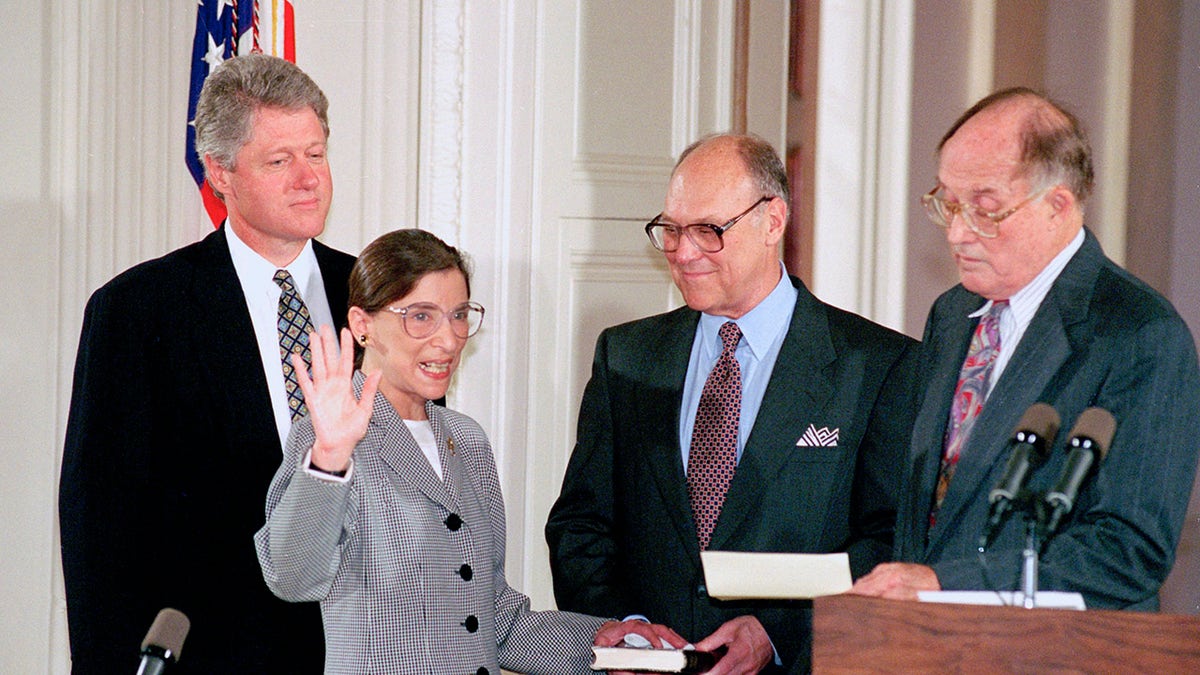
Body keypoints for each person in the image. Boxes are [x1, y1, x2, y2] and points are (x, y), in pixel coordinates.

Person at [545, 133, 918, 674]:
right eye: (671, 230)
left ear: (773, 221)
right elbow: (582, 525)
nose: (684, 252)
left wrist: (779, 632)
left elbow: (890, 542)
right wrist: (623, 627)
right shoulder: (626, 357)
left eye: (708, 230)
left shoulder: (879, 365)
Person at [254, 229, 681, 674]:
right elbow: (292, 577)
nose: (450, 339)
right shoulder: (323, 441)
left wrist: (603, 641)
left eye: (459, 315)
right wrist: (330, 457)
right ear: (362, 325)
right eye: (421, 316)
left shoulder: (467, 440)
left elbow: (493, 621)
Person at [849, 87, 1200, 609]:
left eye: (985, 210)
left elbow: (1129, 550)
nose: (958, 234)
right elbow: (926, 516)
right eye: (947, 204)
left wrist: (947, 586)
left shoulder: (1138, 333)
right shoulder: (951, 316)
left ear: (1058, 205)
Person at [59, 54, 352, 672]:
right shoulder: (139, 310)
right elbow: (100, 525)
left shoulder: (373, 294)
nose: (309, 179)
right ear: (220, 173)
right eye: (280, 161)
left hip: (367, 649)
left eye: (316, 153)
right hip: (217, 654)